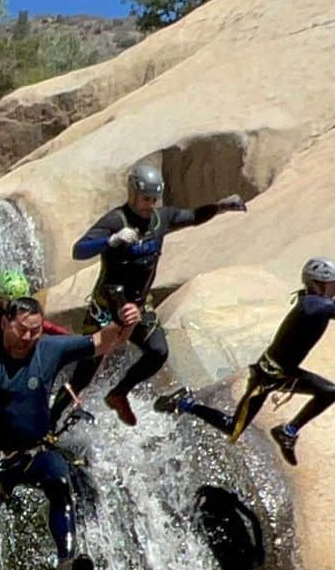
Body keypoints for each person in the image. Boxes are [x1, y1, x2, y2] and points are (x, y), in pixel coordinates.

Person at [155, 258, 335, 465]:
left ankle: (287, 432)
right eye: (333, 283)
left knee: (329, 391)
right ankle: (185, 404)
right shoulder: (314, 306)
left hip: (283, 372)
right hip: (268, 376)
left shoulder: (318, 301)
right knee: (234, 429)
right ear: (318, 284)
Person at [50, 162, 247, 429]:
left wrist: (220, 207)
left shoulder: (160, 218)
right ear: (132, 193)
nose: (148, 205)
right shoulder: (116, 221)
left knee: (157, 350)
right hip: (108, 307)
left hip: (139, 306)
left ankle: (119, 393)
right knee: (85, 372)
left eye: (153, 199)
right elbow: (79, 250)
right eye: (144, 199)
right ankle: (49, 422)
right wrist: (110, 241)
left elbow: (192, 216)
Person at [0, 297, 126, 570]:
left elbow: (101, 341)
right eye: (22, 330)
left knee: (60, 481)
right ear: (4, 324)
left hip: (36, 454)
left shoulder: (48, 349)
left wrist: (125, 321)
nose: (28, 338)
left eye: (35, 331)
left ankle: (67, 565)